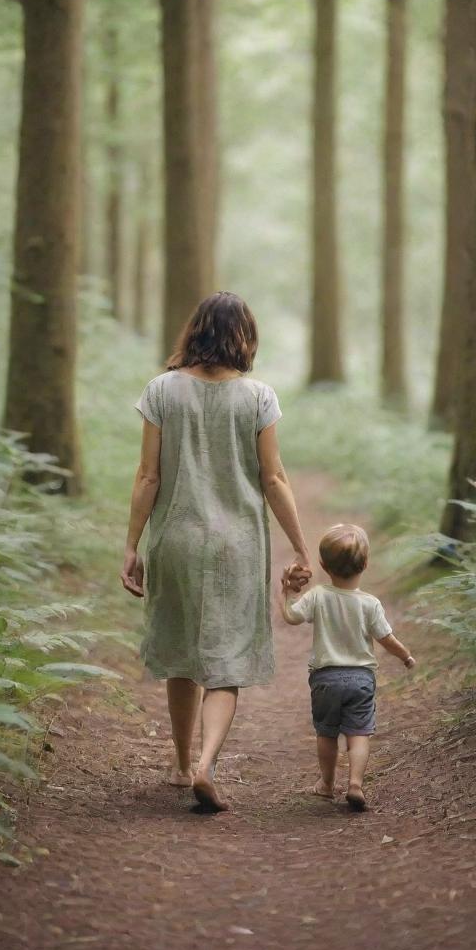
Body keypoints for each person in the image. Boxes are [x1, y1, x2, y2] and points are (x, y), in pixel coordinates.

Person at [122, 292, 312, 813]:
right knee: (225, 665)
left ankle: (182, 765)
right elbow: (273, 478)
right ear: (245, 337)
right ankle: (208, 763)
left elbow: (148, 476)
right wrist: (300, 546)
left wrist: (132, 545)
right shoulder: (259, 398)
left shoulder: (161, 391)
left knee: (182, 655)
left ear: (194, 331)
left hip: (175, 540)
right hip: (238, 546)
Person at [280, 523, 415, 812]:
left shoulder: (318, 596)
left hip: (325, 678)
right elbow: (386, 639)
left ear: (322, 565)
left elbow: (291, 616)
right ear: (365, 564)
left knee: (327, 733)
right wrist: (405, 656)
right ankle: (355, 783)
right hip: (361, 679)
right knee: (359, 734)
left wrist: (288, 592)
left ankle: (327, 785)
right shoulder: (370, 604)